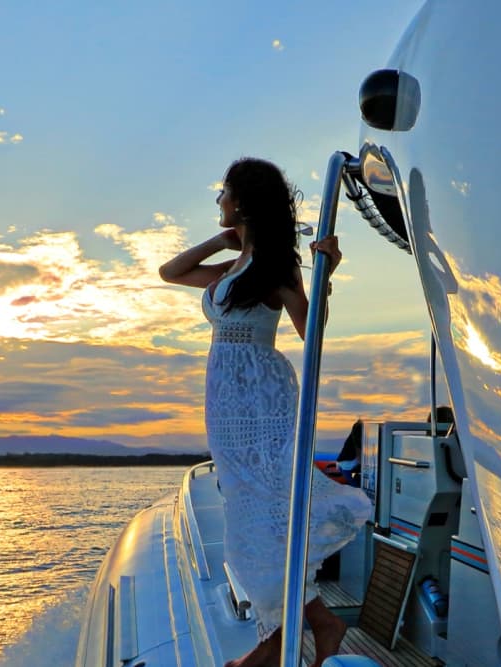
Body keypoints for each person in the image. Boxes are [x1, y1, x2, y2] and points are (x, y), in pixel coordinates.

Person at [159, 157, 372, 667]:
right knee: (249, 518)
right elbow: (171, 272)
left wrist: (326, 275)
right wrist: (224, 239)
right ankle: (312, 627)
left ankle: (285, 640)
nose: (218, 201)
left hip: (263, 399)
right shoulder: (234, 266)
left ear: (243, 201)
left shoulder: (276, 265)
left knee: (266, 519)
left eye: (223, 193)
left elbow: (309, 330)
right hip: (228, 408)